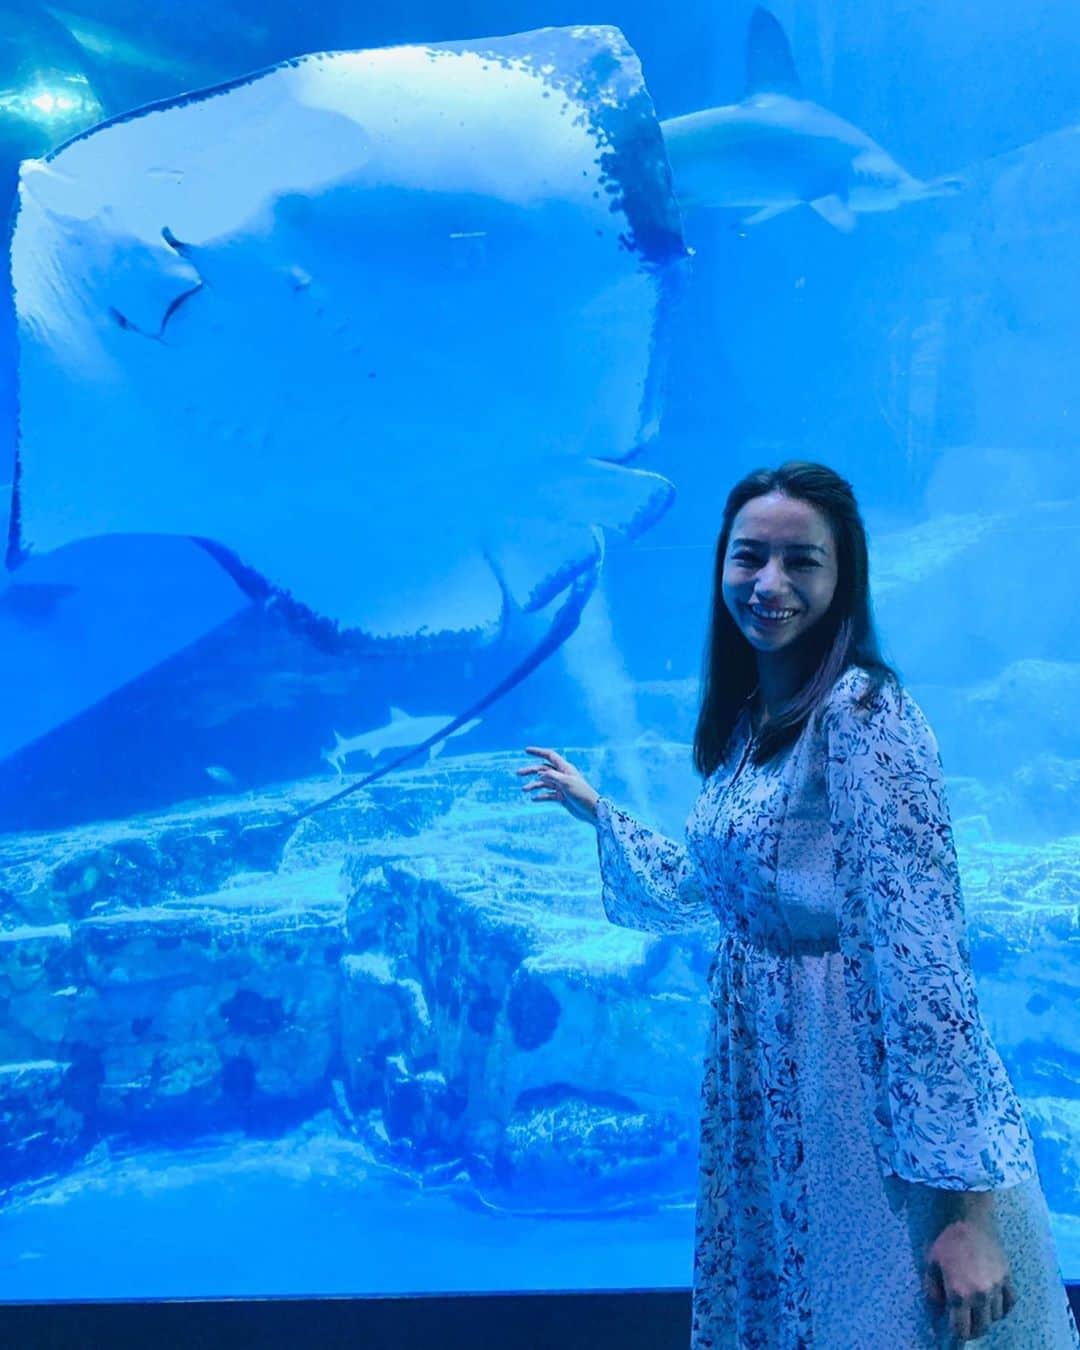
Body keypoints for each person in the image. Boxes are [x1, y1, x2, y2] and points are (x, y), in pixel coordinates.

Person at [517, 462, 1079, 1348]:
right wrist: (598, 809)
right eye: (749, 557)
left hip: (853, 1095)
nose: (769, 584)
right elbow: (715, 893)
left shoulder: (863, 713)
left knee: (875, 1317)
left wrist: (967, 1209)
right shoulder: (755, 727)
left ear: (842, 576)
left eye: (800, 561)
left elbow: (924, 961)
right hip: (767, 1087)